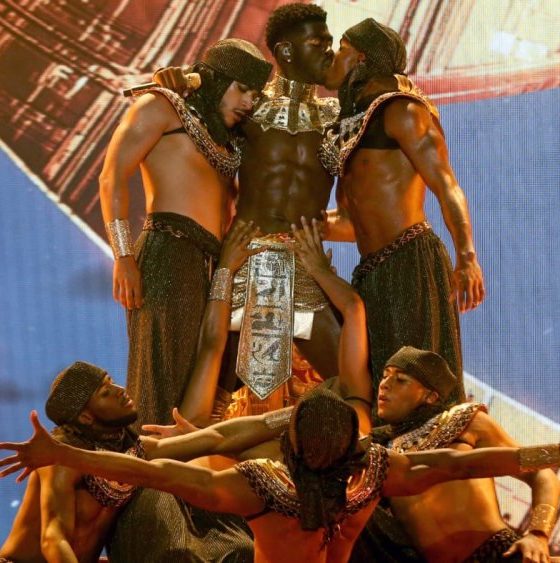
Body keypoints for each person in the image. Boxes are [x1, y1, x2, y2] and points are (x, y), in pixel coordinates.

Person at [3, 395, 560, 563]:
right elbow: (480, 463)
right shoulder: (377, 474)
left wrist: (64, 454)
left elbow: (150, 471)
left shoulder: (261, 487)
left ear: (291, 447)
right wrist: (554, 450)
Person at [154, 3, 342, 404]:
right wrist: (177, 79)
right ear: (286, 51)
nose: (329, 51)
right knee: (211, 395)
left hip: (306, 265)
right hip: (246, 259)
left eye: (330, 42)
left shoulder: (338, 117)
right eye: (318, 42)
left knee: (353, 384)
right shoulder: (250, 108)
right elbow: (197, 109)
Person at [100, 38, 272, 428]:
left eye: (256, 94)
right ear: (216, 79)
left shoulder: (231, 137)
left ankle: (188, 468)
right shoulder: (160, 106)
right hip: (169, 255)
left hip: (217, 265)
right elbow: (111, 177)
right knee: (164, 385)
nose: (249, 101)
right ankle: (150, 466)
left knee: (211, 393)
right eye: (242, 89)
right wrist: (123, 257)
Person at [320, 18, 486, 412]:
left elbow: (446, 185)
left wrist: (466, 256)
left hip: (411, 264)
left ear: (361, 58)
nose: (332, 57)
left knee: (417, 398)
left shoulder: (403, 111)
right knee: (379, 393)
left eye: (341, 48)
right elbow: (353, 223)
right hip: (372, 272)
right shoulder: (352, 124)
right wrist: (292, 227)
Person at [351, 346, 560, 563]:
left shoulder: (464, 420)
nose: (385, 384)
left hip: (505, 556)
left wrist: (538, 534)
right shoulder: (378, 451)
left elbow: (541, 472)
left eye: (401, 379)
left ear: (430, 396)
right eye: (385, 376)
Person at [0, 361, 142, 562]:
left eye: (112, 382)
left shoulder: (133, 448)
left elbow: (179, 449)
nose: (120, 390)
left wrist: (186, 432)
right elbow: (53, 539)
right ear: (85, 417)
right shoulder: (59, 459)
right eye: (105, 392)